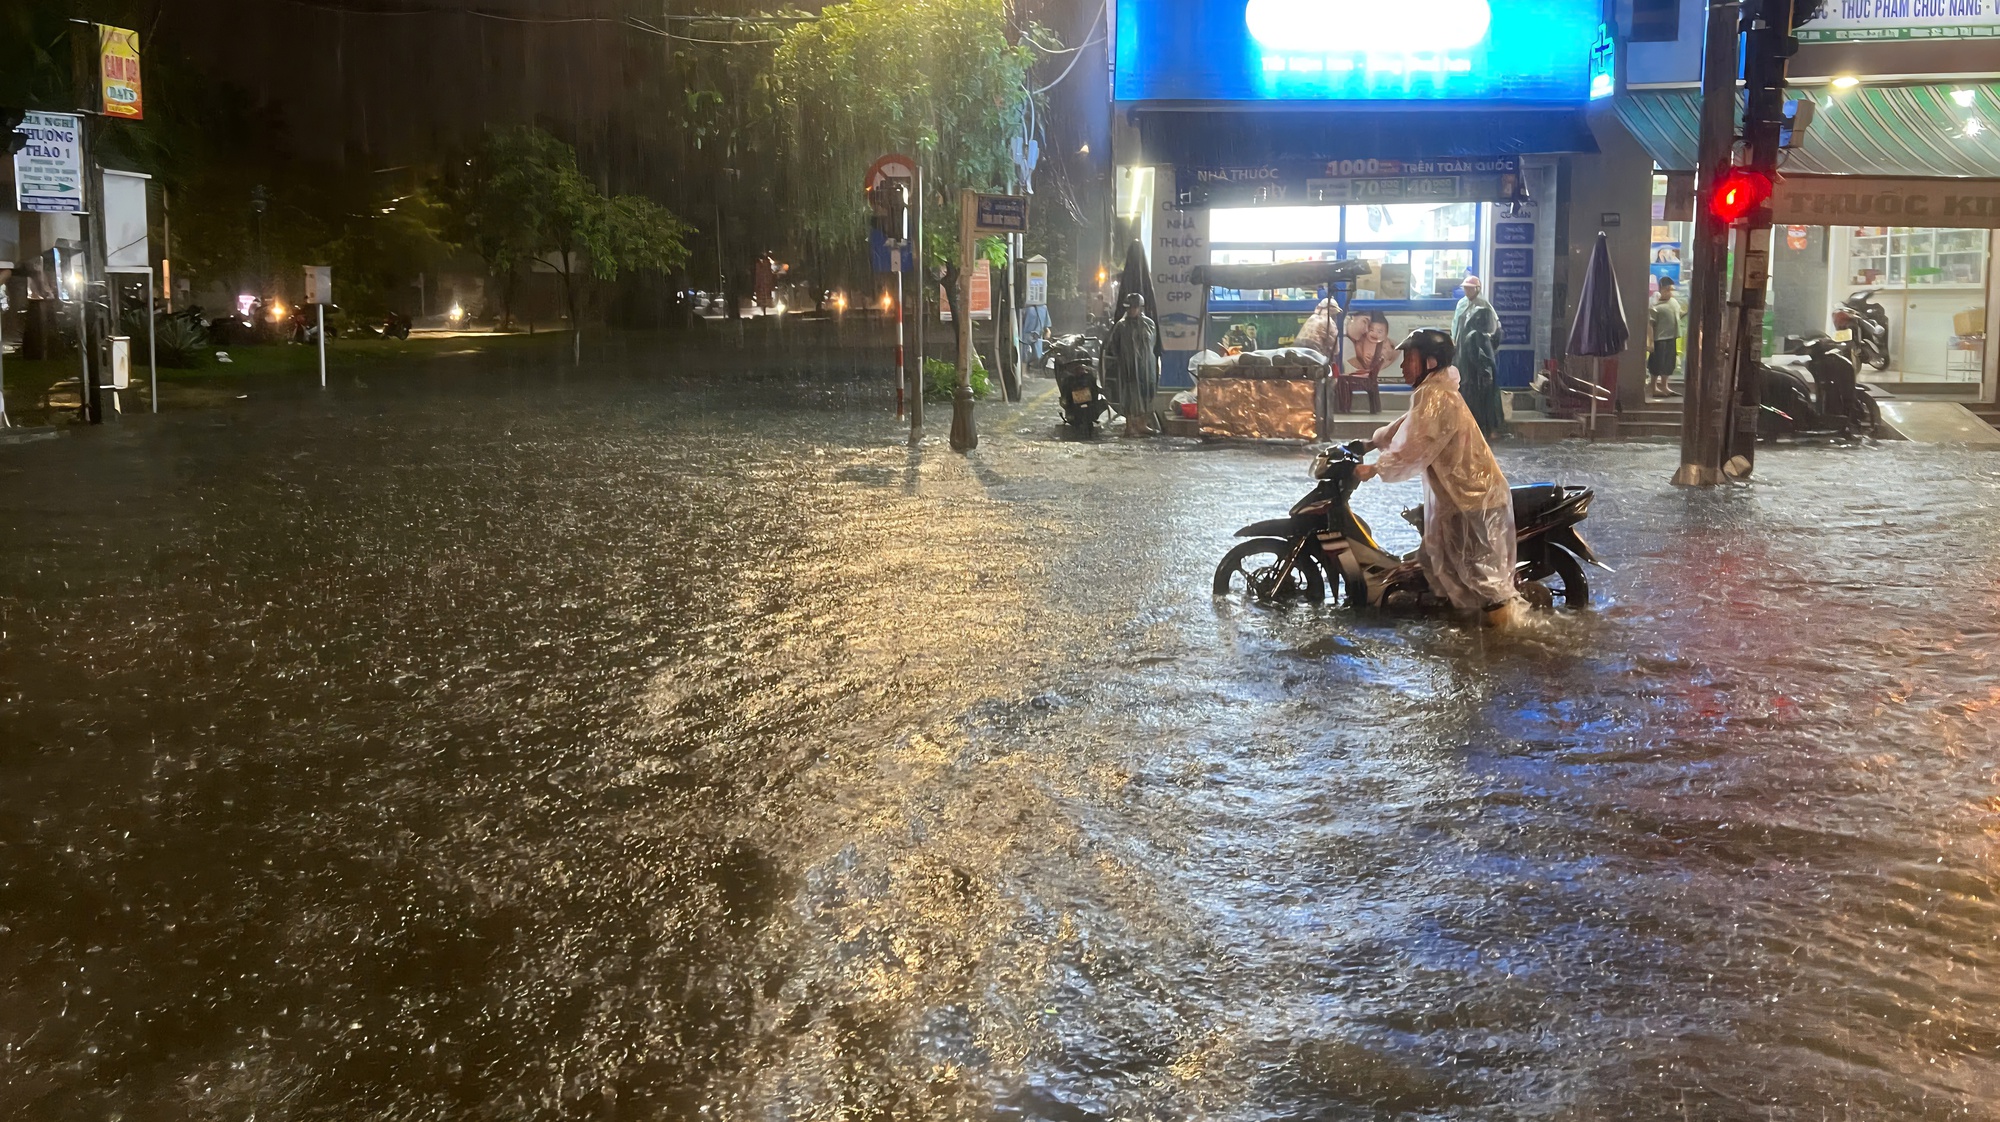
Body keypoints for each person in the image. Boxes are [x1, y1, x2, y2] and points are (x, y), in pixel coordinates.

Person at [1355, 328, 1526, 628]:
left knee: (1482, 579)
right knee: (1432, 560)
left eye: (1410, 358)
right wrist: (1372, 442)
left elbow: (1414, 446)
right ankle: (1457, 623)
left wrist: (1375, 468)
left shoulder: (1436, 396)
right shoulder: (1433, 392)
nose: (1404, 365)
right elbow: (1408, 424)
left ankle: (1508, 639)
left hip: (1472, 500)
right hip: (1461, 497)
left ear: (1430, 363)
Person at [1452, 274, 1505, 437]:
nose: (1467, 291)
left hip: (1479, 353)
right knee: (1465, 387)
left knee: (1483, 390)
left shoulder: (1484, 307)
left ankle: (1487, 426)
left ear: (1477, 289)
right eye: (1465, 288)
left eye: (1470, 288)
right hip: (1463, 353)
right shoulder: (1461, 304)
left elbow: (1492, 331)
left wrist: (1484, 355)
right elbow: (1455, 326)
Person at [1102, 292, 1161, 436]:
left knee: (1147, 393)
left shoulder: (1149, 324)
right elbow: (1113, 346)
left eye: (1135, 308)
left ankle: (1142, 424)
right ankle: (1130, 426)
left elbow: (1154, 344)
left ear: (1140, 308)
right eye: (1129, 308)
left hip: (1147, 367)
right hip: (1128, 368)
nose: (1132, 311)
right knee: (1129, 396)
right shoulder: (1121, 326)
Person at [1647, 276, 1683, 398]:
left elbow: (1679, 314)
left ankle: (1664, 384)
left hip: (1671, 337)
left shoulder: (1674, 302)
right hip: (1660, 338)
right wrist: (1650, 342)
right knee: (1657, 363)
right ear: (1662, 289)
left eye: (1671, 290)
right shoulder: (1655, 306)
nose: (1670, 292)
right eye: (1668, 290)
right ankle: (1653, 387)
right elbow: (1650, 325)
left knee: (1669, 362)